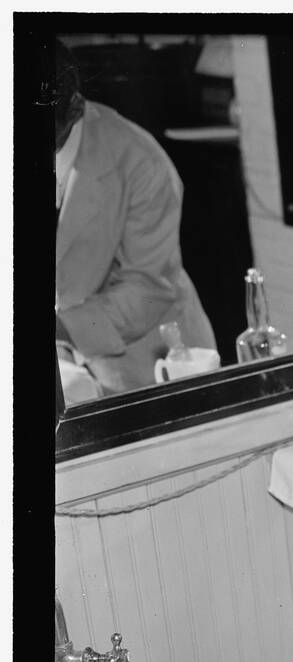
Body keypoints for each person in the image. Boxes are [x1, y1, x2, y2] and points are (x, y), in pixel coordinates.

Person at [51, 39, 215, 395]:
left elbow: (147, 291)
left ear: (75, 107)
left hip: (148, 359)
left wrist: (61, 328)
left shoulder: (142, 164)